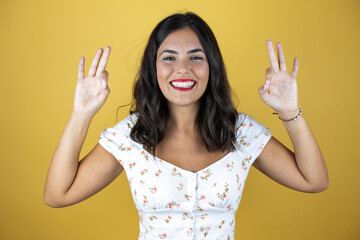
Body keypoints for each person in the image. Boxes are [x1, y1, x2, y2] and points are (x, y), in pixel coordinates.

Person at [44, 12, 329, 239]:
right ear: (153, 69)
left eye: (196, 57)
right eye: (168, 58)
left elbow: (313, 180)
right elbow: (58, 195)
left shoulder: (240, 131)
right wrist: (81, 115)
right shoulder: (131, 136)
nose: (183, 68)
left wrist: (290, 112)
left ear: (211, 67)